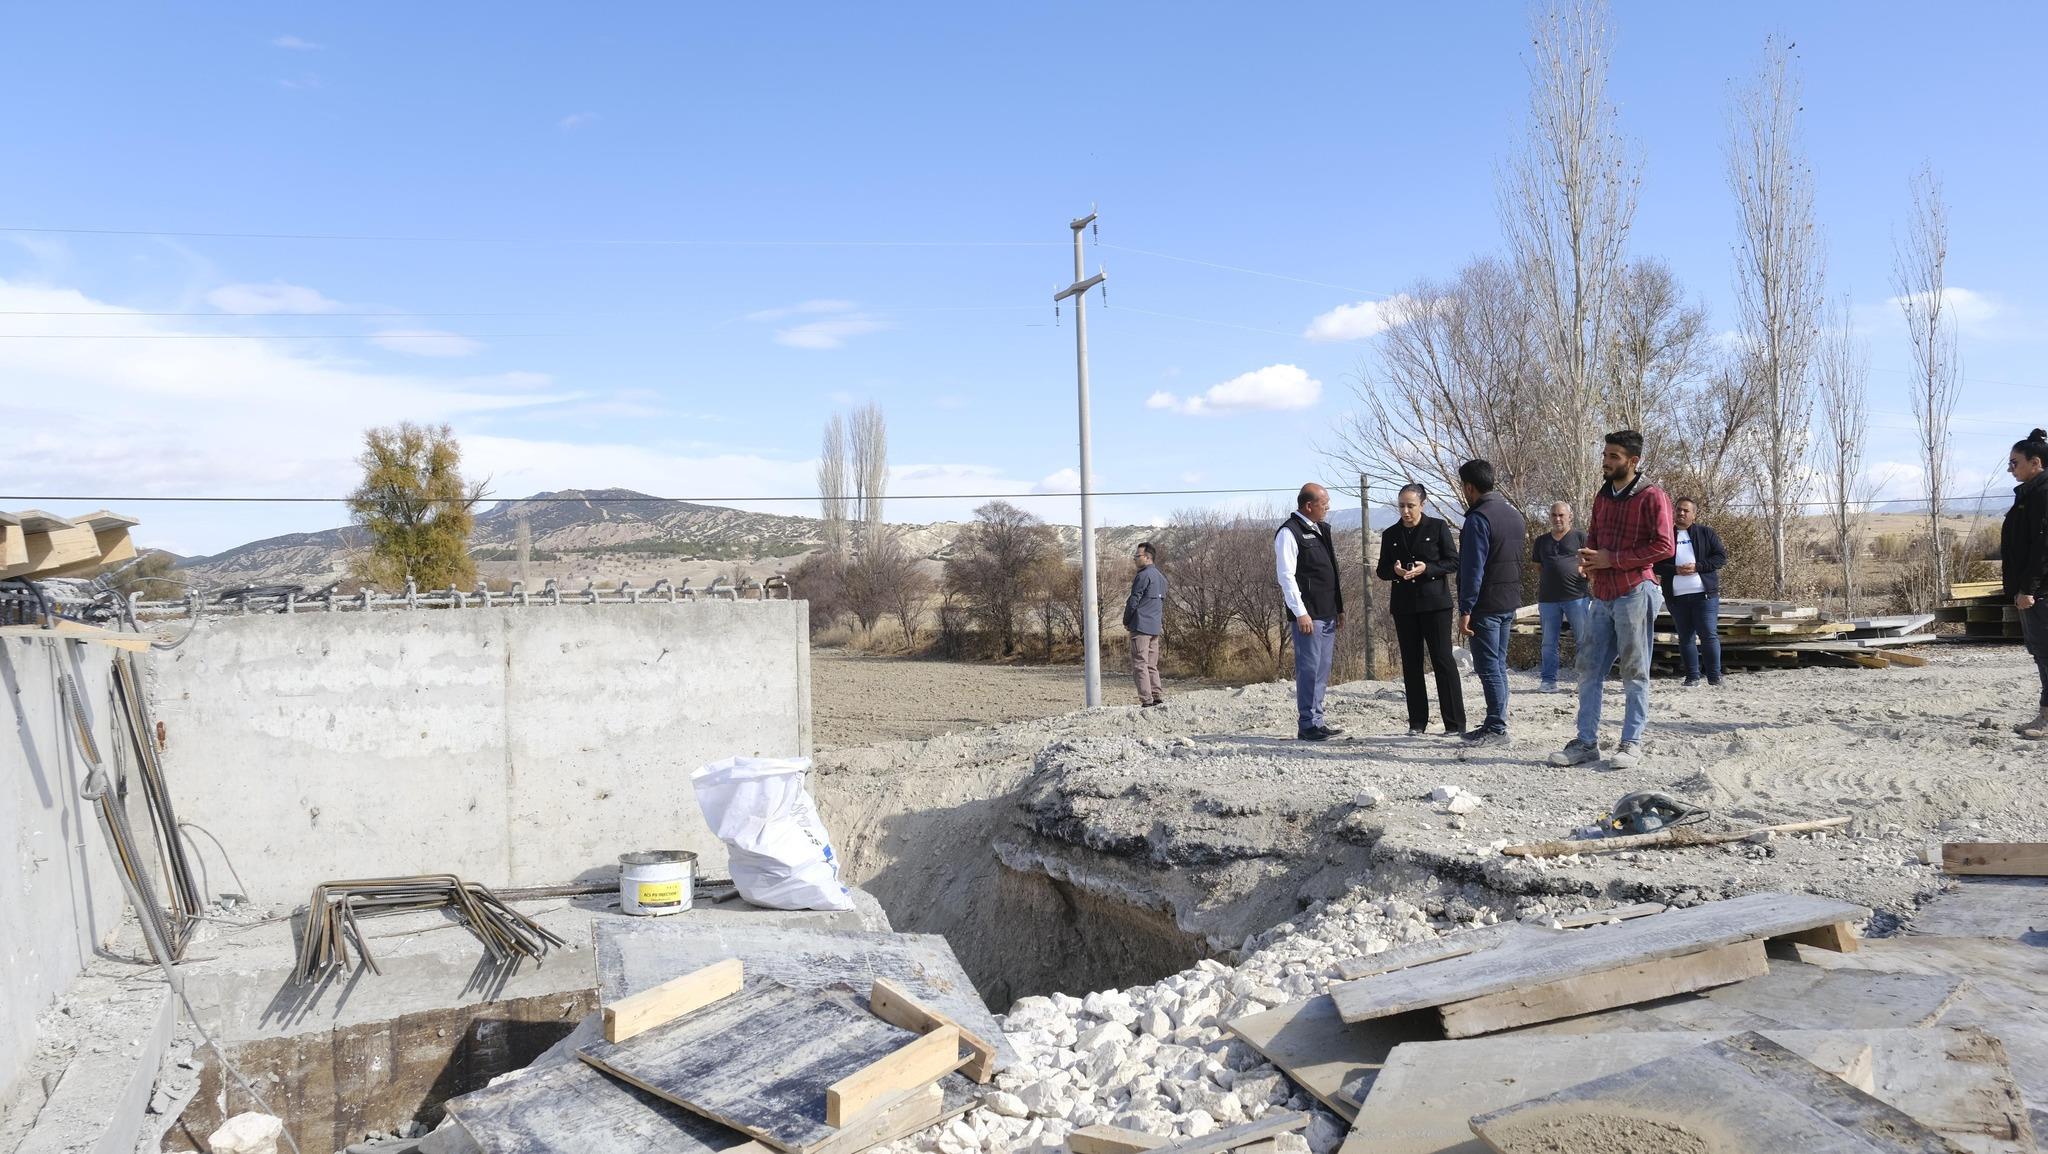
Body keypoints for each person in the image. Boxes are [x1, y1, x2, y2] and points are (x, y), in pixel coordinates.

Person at [1549, 430, 1673, 770]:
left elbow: (1664, 547)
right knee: (1588, 669)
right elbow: (1596, 540)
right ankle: (1586, 743)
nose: (1606, 461)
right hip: (1601, 595)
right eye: (1605, 454)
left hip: (1635, 591)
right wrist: (1588, 562)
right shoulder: (1602, 497)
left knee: (1635, 672)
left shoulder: (1652, 496)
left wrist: (1611, 559)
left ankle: (1631, 743)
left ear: (1633, 461)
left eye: (1614, 456)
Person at [1377, 483, 1466, 735]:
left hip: (1435, 604)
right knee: (1411, 664)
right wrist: (1394, 572)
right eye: (1402, 506)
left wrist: (1427, 568)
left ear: (1422, 505)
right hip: (1404, 607)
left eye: (1410, 506)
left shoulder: (1437, 528)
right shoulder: (1390, 534)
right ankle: (1417, 723)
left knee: (1442, 660)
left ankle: (1455, 724)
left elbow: (1453, 561)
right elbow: (1381, 570)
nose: (1405, 511)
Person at [1454, 460, 1526, 748]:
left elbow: (1473, 569)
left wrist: (1466, 609)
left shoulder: (1478, 519)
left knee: (1488, 667)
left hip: (1485, 605)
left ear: (1469, 487)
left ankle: (1496, 727)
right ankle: (1497, 722)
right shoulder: (1514, 515)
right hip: (1509, 601)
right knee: (1498, 664)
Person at [1275, 483, 1344, 740]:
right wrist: (1300, 612)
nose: (1327, 507)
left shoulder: (1320, 529)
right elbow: (1286, 576)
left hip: (1327, 612)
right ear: (1308, 505)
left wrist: (1339, 608)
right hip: (1308, 615)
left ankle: (1318, 720)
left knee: (1322, 669)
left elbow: (1332, 572)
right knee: (1309, 668)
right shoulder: (1289, 533)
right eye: (1324, 503)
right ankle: (1307, 724)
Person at [1654, 498, 1728, 687]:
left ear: (1694, 515)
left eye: (1686, 511)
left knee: (1708, 635)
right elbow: (1654, 564)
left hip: (1704, 595)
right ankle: (1692, 677)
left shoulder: (1706, 533)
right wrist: (1675, 570)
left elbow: (1720, 557)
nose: (1681, 513)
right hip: (1676, 597)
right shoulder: (1665, 536)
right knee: (1685, 637)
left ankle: (1714, 676)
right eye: (1678, 510)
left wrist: (1698, 567)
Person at [2004, 428, 2048, 740]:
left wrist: (2030, 589)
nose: (2010, 469)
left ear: (2035, 463)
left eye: (2014, 462)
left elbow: (2042, 547)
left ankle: (2046, 720)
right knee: (2041, 652)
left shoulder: (2042, 495)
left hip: (2041, 592)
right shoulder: (2031, 493)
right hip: (2035, 590)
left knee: (2045, 652)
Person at [1532, 501, 1590, 693]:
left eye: (1561, 515)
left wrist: (1583, 572)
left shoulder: (1581, 537)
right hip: (1548, 599)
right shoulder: (1541, 541)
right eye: (1554, 515)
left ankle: (1585, 680)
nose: (1557, 519)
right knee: (1549, 641)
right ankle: (1548, 681)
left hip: (1577, 596)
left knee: (1583, 639)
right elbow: (1539, 567)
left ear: (1569, 516)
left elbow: (1591, 562)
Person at [1123, 542, 1167, 708]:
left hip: (1140, 626)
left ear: (1147, 557)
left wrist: (1127, 620)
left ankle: (1146, 700)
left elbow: (1133, 601)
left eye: (1137, 556)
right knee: (1151, 664)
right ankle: (1157, 696)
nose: (1135, 559)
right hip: (1155, 627)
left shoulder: (1142, 576)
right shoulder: (1162, 578)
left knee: (1140, 664)